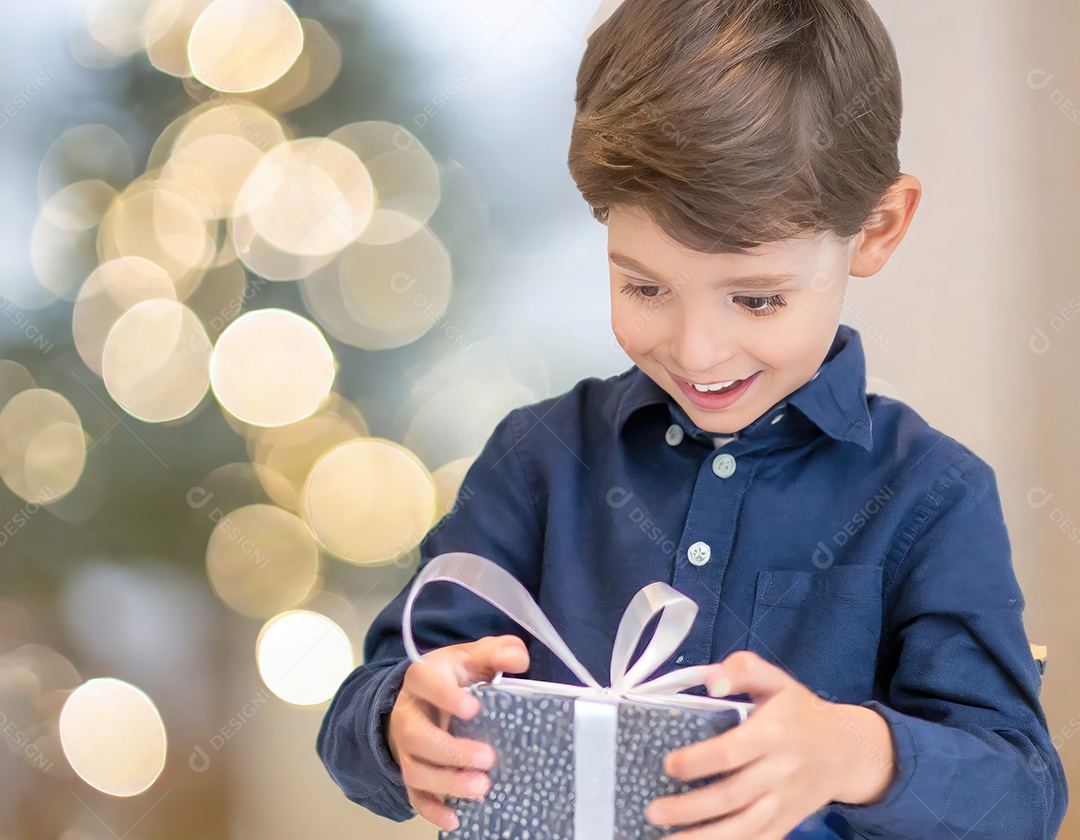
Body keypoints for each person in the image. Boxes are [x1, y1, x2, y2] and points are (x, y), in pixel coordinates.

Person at [316, 0, 1069, 837]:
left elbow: (1022, 795)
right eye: (645, 287)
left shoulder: (932, 496)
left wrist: (849, 751)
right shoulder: (539, 459)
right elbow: (366, 706)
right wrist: (398, 725)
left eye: (755, 297)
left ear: (877, 228)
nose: (698, 352)